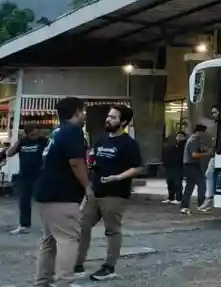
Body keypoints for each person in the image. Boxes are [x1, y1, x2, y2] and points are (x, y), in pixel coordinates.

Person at [75, 105, 143, 281]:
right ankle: (77, 264)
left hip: (115, 194)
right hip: (95, 192)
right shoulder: (101, 139)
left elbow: (137, 167)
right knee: (82, 226)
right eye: (108, 116)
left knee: (112, 230)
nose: (108, 119)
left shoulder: (129, 144)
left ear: (123, 122)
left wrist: (118, 177)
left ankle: (109, 267)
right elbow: (93, 161)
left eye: (113, 117)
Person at [33, 96, 90, 287]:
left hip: (45, 193)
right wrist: (87, 186)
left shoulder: (57, 132)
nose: (85, 114)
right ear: (77, 112)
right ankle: (63, 282)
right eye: (84, 110)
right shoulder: (73, 131)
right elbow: (76, 162)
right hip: (63, 195)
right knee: (68, 240)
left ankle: (42, 281)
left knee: (49, 241)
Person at [2, 125, 48, 235]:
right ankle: (24, 225)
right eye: (32, 135)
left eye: (36, 134)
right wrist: (18, 142)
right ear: (27, 135)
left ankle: (47, 225)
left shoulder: (43, 141)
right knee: (24, 200)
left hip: (40, 174)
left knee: (41, 200)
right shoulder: (23, 142)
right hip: (24, 175)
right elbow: (9, 153)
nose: (35, 137)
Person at [180, 124, 212, 215]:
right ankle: (201, 205)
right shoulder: (194, 139)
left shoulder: (194, 139)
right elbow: (194, 154)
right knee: (202, 184)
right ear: (199, 132)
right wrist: (206, 154)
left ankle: (184, 207)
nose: (205, 134)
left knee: (189, 187)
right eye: (204, 132)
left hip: (190, 165)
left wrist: (204, 149)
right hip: (192, 165)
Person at [199, 105, 219, 212]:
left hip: (220, 152)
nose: (214, 115)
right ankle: (210, 199)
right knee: (210, 174)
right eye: (213, 113)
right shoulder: (215, 125)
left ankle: (209, 199)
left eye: (216, 112)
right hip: (215, 153)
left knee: (209, 173)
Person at [160, 131, 186, 205]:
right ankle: (170, 197)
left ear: (184, 137)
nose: (179, 137)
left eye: (181, 136)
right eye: (178, 136)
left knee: (177, 183)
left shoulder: (184, 146)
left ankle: (178, 198)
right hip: (170, 166)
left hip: (179, 166)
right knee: (170, 182)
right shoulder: (173, 145)